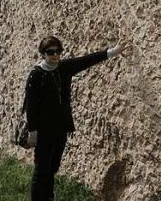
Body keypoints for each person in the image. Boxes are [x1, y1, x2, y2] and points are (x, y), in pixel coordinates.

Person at [25, 35, 128, 201]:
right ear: (43, 54)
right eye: (51, 52)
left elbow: (86, 60)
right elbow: (30, 106)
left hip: (61, 128)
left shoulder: (63, 67)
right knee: (41, 168)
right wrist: (32, 131)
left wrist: (112, 52)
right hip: (43, 130)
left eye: (58, 51)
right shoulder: (36, 75)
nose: (55, 55)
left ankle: (48, 197)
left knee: (53, 166)